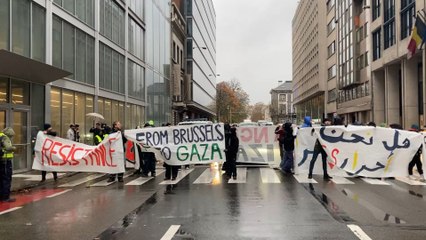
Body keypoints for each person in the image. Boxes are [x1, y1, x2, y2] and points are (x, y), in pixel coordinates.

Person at [0, 127, 16, 202]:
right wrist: (14, 148)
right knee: (7, 178)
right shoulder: (5, 138)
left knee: (1, 178)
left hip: (1, 160)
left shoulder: (0, 135)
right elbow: (8, 147)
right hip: (5, 161)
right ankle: (6, 197)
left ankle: (1, 196)